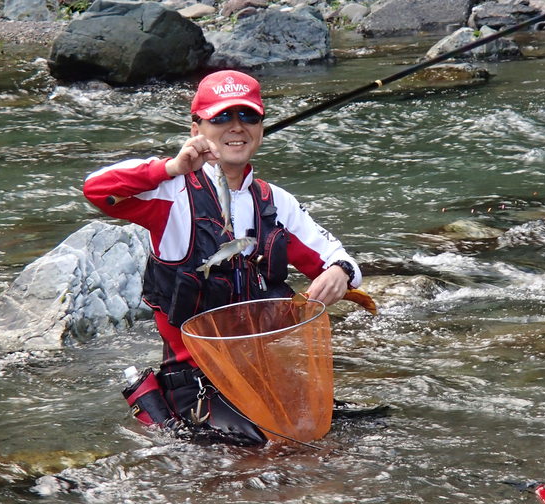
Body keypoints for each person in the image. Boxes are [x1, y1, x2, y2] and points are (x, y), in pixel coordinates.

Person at [83, 70, 362, 445]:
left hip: (267, 376)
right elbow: (97, 189)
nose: (237, 127)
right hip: (198, 384)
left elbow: (337, 259)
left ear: (261, 128)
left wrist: (340, 273)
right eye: (221, 118)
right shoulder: (168, 193)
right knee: (274, 453)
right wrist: (171, 167)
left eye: (248, 117)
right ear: (196, 128)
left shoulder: (276, 202)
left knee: (355, 433)